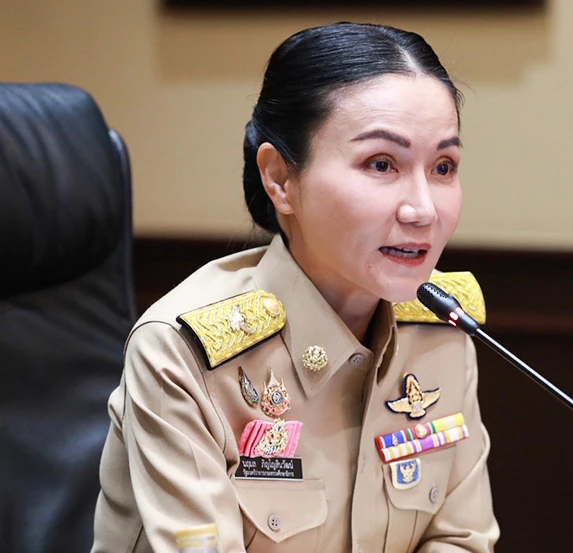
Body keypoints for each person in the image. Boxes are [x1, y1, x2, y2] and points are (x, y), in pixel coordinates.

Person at [92, 22, 499, 553]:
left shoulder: (440, 329)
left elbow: (459, 538)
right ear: (280, 179)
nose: (423, 209)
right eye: (381, 164)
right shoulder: (182, 354)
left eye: (443, 167)